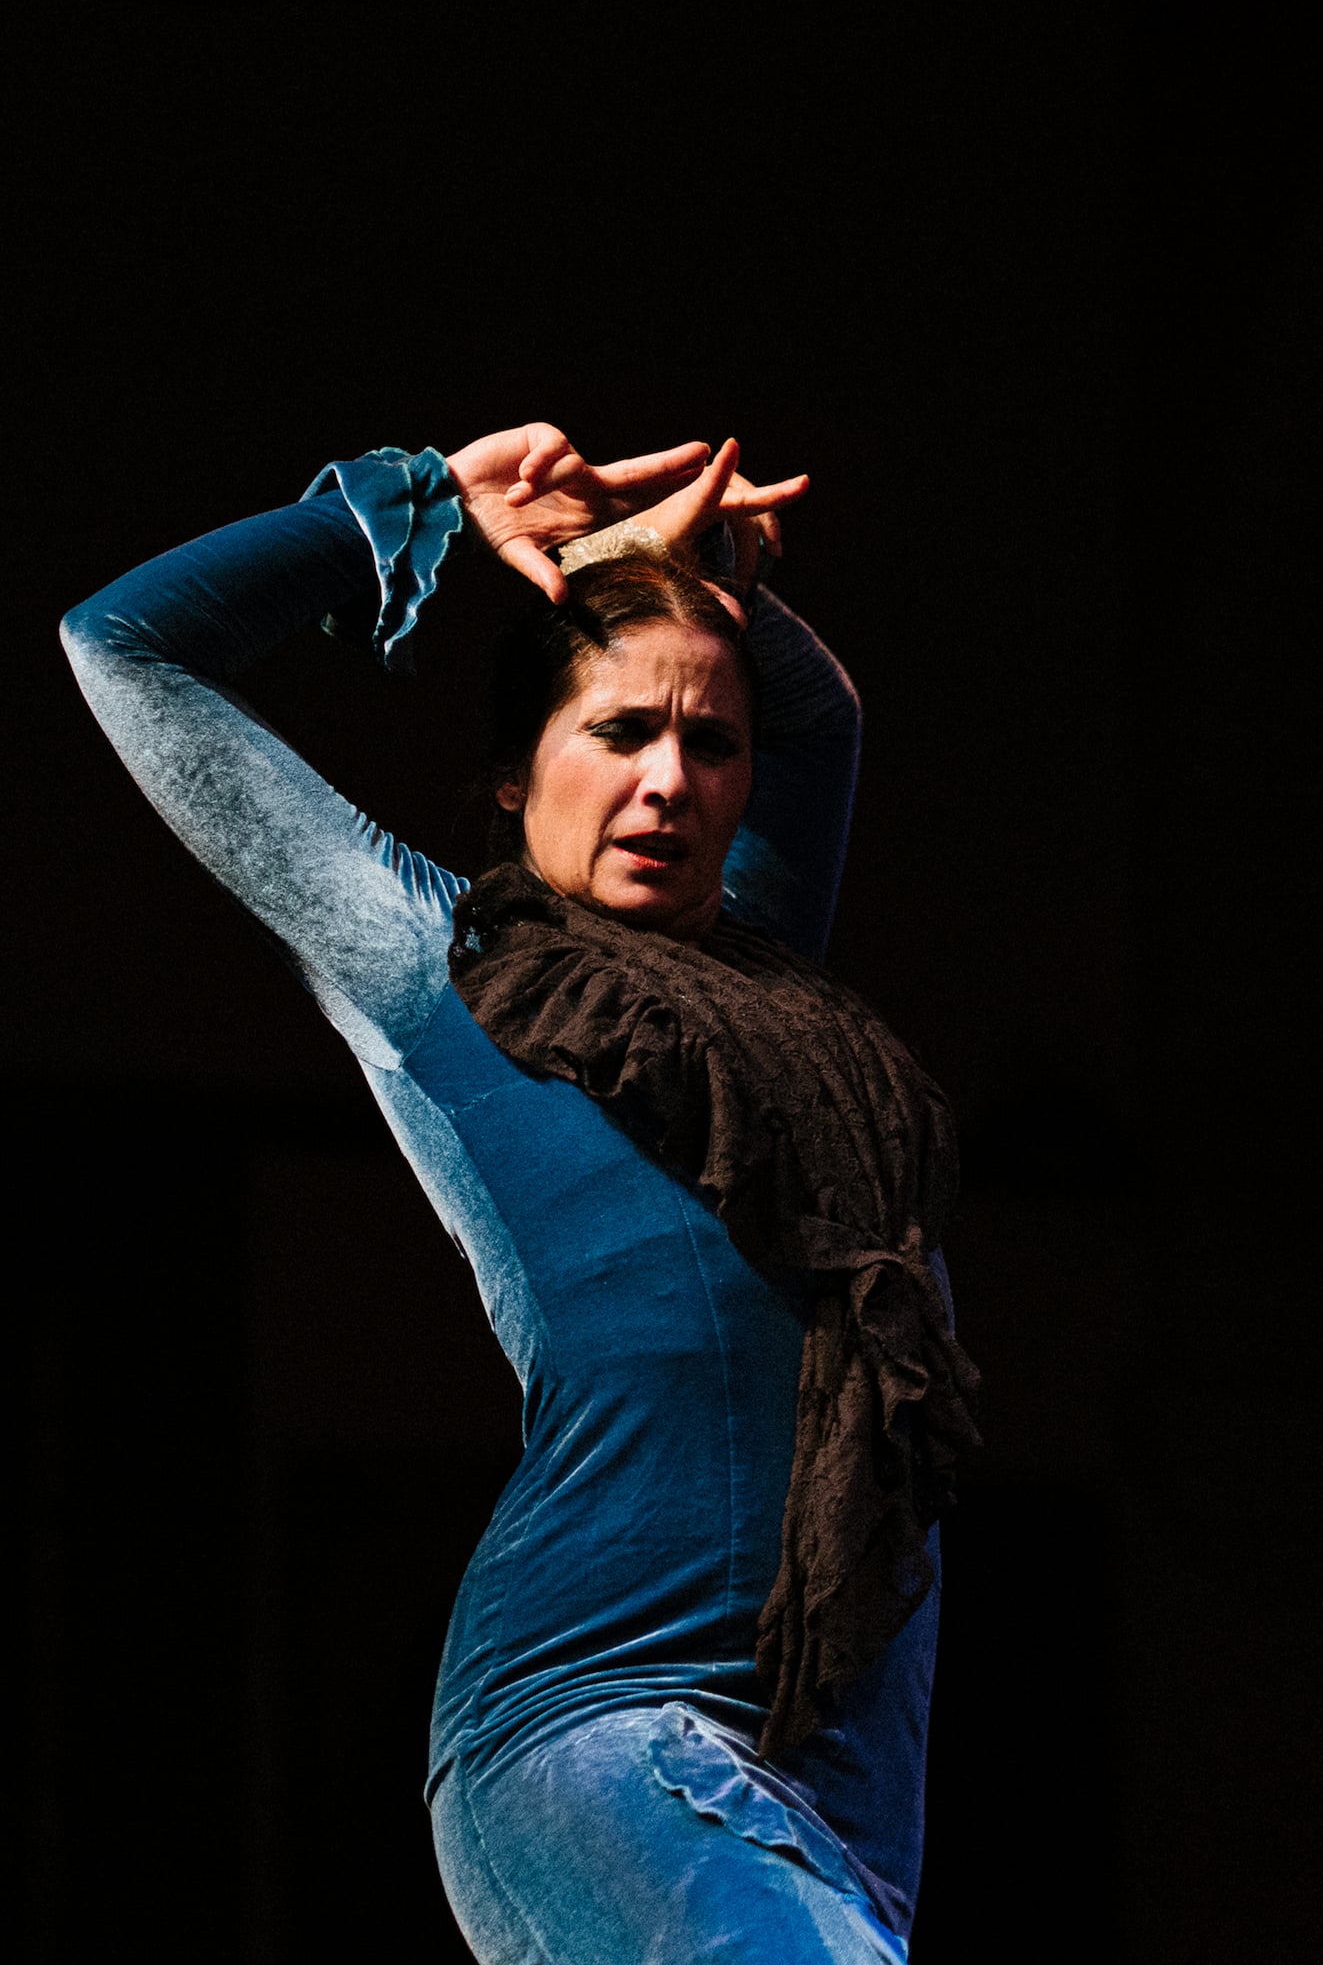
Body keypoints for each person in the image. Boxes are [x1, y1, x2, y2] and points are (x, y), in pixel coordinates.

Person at [61, 423, 980, 1964]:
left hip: (849, 1774)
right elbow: (127, 648)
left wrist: (679, 576)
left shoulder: (760, 994)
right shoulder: (441, 971)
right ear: (511, 778)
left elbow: (817, 718)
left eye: (708, 744)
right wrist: (422, 507)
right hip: (599, 1724)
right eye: (617, 733)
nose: (669, 781)